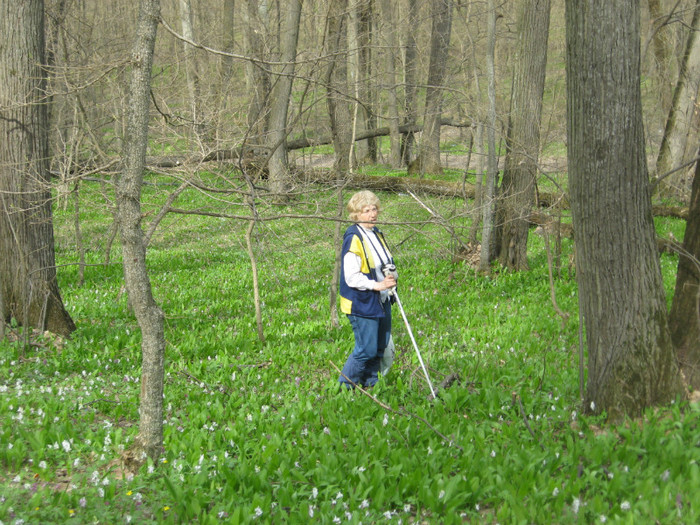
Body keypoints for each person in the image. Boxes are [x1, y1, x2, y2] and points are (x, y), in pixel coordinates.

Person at [338, 190, 397, 389]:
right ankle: (343, 388)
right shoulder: (354, 237)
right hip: (362, 302)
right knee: (366, 349)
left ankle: (371, 384)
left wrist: (390, 279)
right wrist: (377, 285)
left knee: (380, 346)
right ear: (356, 214)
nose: (372, 214)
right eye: (366, 211)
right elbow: (351, 277)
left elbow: (383, 264)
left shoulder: (376, 233)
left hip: (381, 299)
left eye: (374, 209)